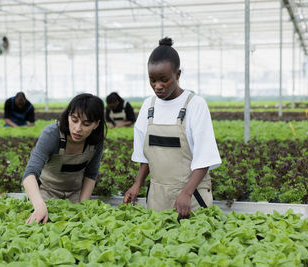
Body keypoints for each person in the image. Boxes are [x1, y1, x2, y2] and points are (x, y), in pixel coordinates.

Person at [123, 37, 221, 221]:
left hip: (191, 198)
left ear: (178, 74)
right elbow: (146, 156)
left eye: (164, 80)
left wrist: (186, 193)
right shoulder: (148, 106)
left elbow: (204, 157)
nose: (157, 86)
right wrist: (137, 185)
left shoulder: (195, 105)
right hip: (157, 197)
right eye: (152, 80)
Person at [22, 93, 106, 224]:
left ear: (96, 124)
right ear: (68, 116)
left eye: (86, 124)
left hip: (75, 195)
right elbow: (30, 173)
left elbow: (91, 175)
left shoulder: (96, 141)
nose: (78, 129)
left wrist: (83, 207)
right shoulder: (52, 134)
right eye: (74, 120)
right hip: (46, 194)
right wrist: (39, 206)